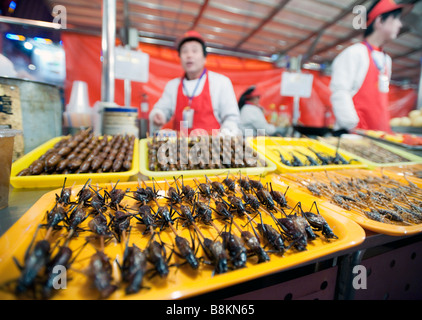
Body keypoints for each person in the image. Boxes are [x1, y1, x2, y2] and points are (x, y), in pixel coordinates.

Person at [330, 0, 409, 134]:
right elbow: (340, 92)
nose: (400, 24)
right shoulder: (355, 53)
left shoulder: (386, 59)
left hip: (378, 135)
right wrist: (352, 126)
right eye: (395, 19)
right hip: (354, 135)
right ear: (379, 21)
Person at [149, 30, 240, 135]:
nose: (189, 55)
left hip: (211, 148)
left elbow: (232, 119)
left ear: (204, 58)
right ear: (180, 58)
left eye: (194, 50)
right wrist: (158, 115)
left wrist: (222, 137)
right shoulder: (172, 85)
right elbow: (162, 109)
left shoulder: (221, 83)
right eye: (184, 51)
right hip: (180, 148)